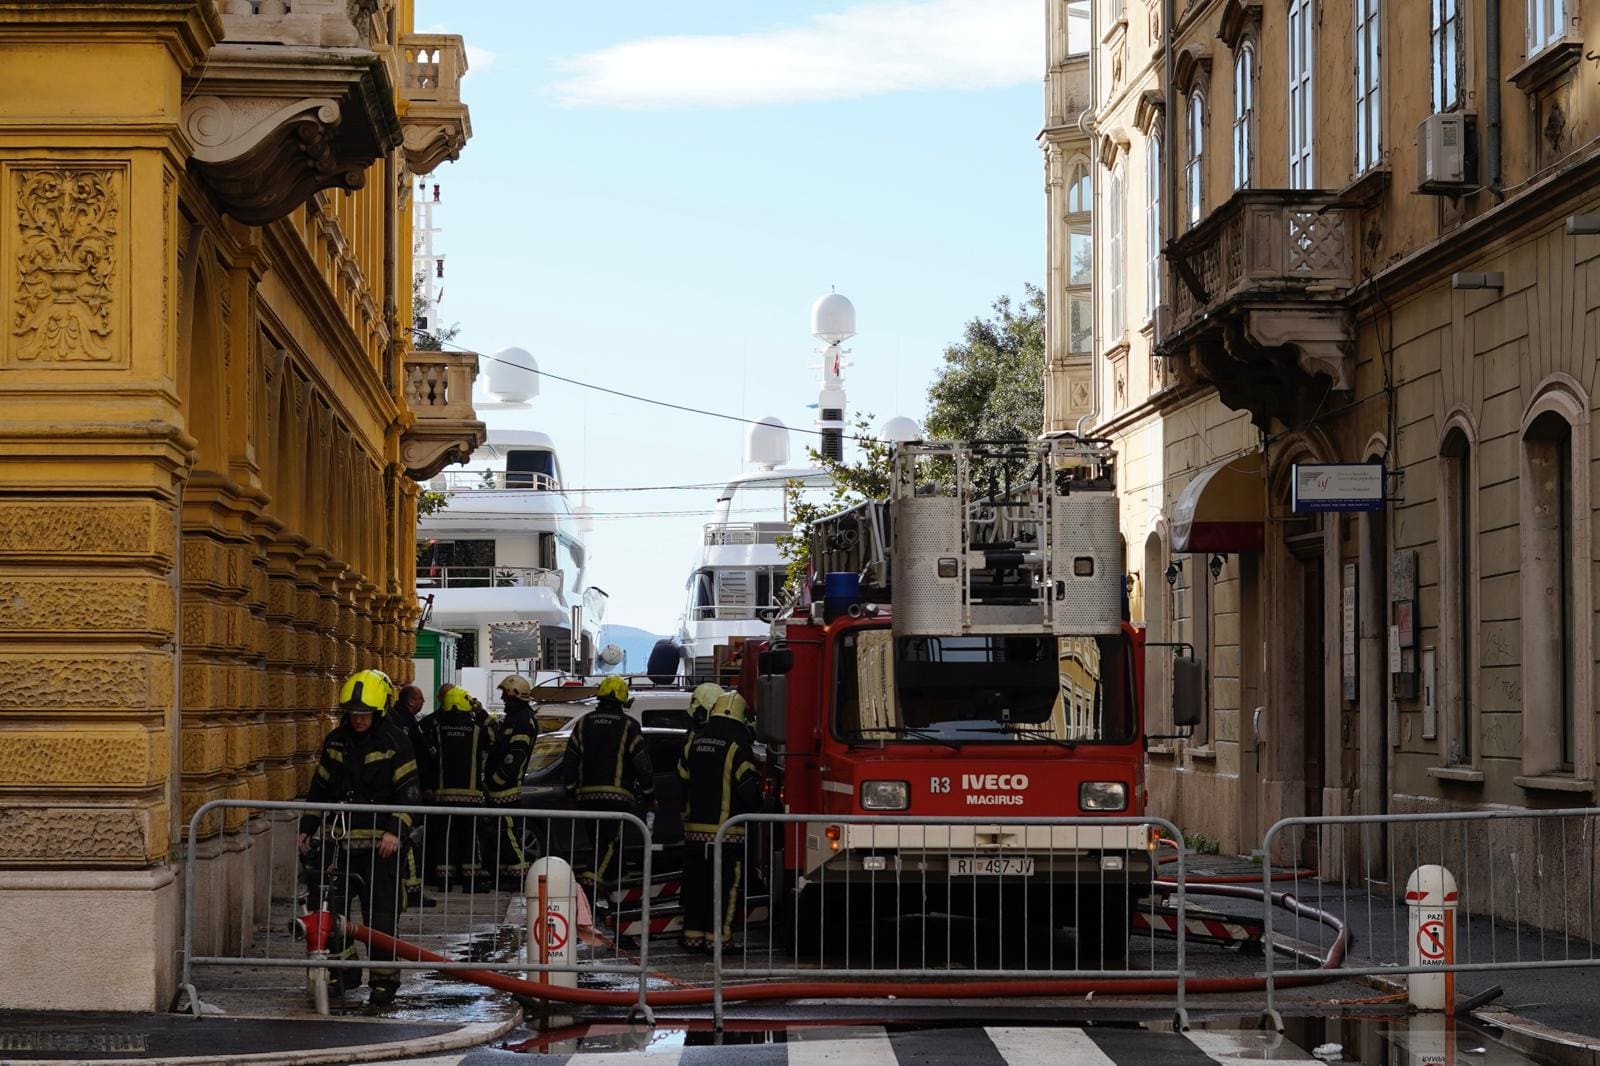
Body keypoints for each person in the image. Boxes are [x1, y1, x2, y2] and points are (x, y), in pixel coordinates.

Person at [297, 669, 419, 1006]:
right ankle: (342, 973)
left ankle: (383, 984)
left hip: (381, 847)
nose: (358, 721)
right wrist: (307, 826)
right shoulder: (336, 740)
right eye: (353, 714)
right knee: (331, 912)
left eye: (364, 715)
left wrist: (396, 831)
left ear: (378, 712)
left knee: (380, 916)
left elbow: (409, 791)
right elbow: (319, 786)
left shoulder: (396, 741)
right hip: (340, 844)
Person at [676, 690, 762, 953]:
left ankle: (692, 937)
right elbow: (749, 791)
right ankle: (720, 941)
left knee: (696, 887)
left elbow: (682, 777)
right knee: (724, 889)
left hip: (694, 834)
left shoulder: (695, 742)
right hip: (727, 835)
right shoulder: (737, 748)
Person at [561, 675, 655, 894]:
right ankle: (587, 887)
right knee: (609, 845)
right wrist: (649, 794)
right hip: (617, 800)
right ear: (622, 700)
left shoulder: (583, 723)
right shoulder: (629, 726)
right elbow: (643, 765)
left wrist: (571, 791)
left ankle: (620, 891)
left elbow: (570, 761)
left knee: (605, 846)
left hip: (586, 798)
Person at [419, 683, 494, 891]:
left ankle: (445, 881)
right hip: (470, 796)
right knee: (470, 839)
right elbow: (496, 736)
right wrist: (481, 712)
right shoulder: (478, 730)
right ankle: (471, 883)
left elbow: (428, 753)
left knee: (446, 839)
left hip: (444, 795)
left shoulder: (437, 729)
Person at [480, 674, 539, 887]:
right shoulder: (515, 719)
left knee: (508, 834)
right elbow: (497, 739)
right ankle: (506, 877)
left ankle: (520, 875)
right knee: (502, 835)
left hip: (506, 789)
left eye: (505, 694)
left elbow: (514, 756)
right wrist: (481, 714)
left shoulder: (524, 721)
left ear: (515, 695)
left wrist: (496, 780)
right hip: (500, 788)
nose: (503, 699)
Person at [391, 685, 436, 908]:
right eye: (420, 698)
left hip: (409, 789)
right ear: (410, 701)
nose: (423, 702)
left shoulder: (405, 720)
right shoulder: (402, 722)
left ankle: (410, 889)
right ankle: (412, 891)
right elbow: (417, 756)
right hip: (407, 791)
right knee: (410, 840)